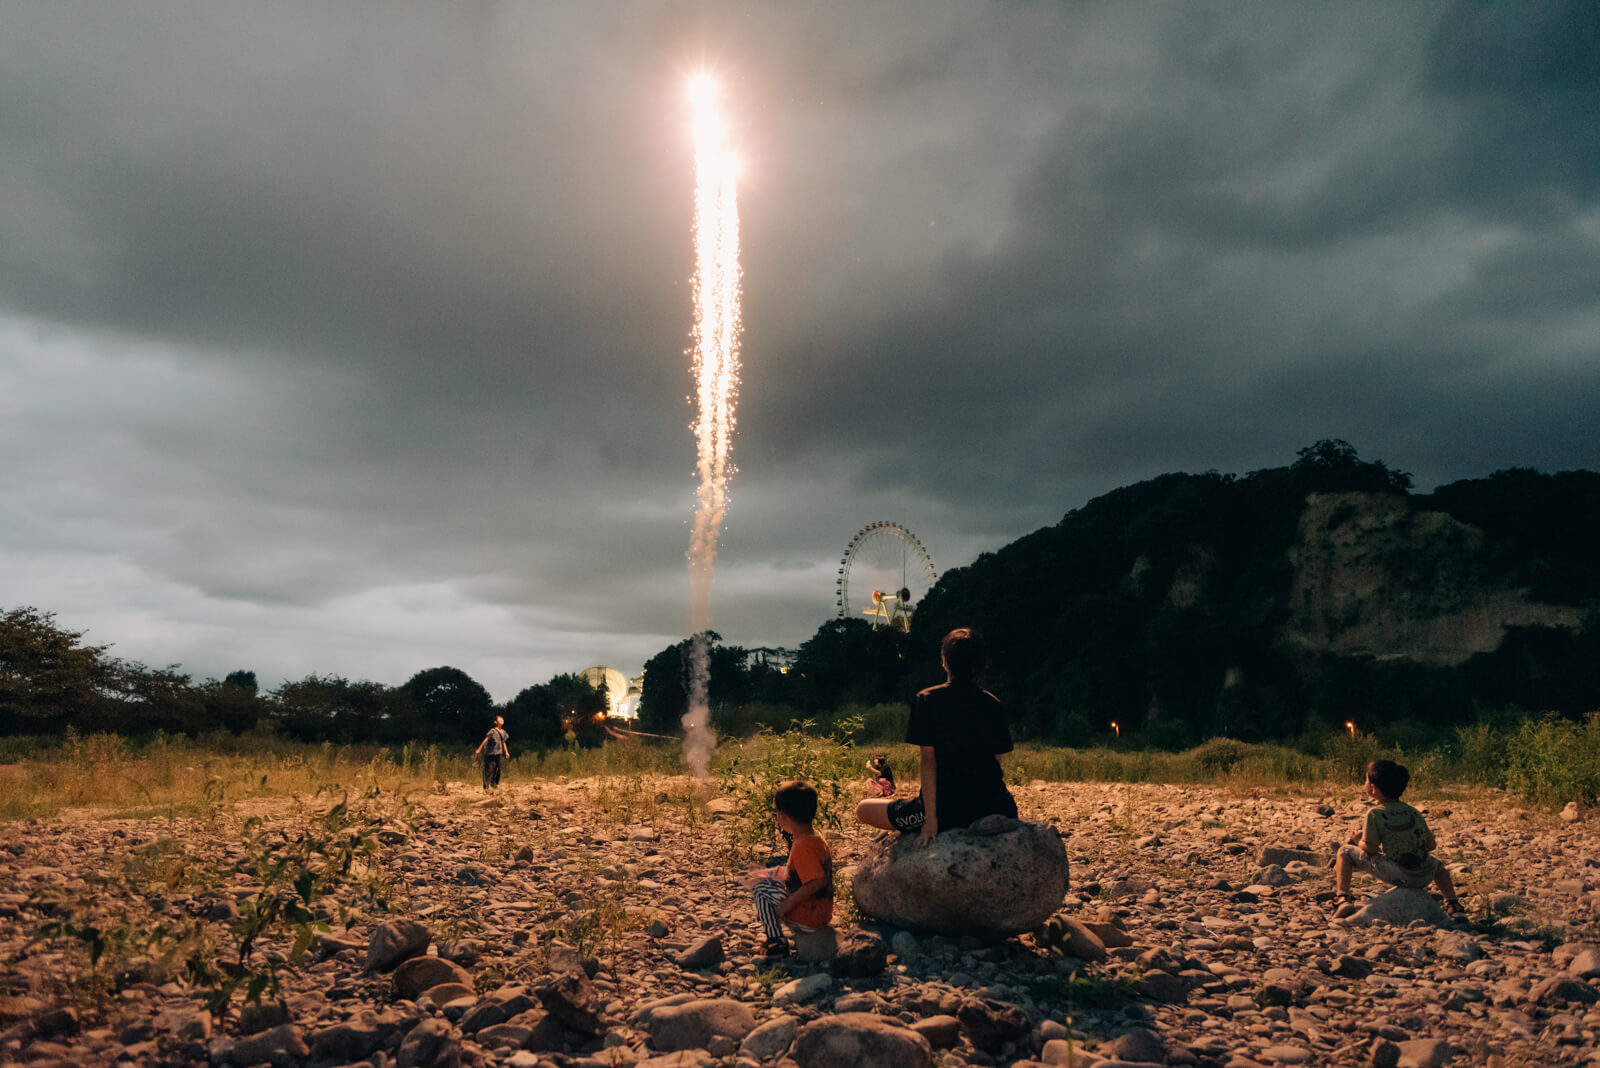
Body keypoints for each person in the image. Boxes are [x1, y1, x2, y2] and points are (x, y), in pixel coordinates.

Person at [856, 627, 1017, 847]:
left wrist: (930, 819)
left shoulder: (927, 699)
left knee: (863, 809)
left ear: (944, 661)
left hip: (946, 811)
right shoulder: (993, 703)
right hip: (997, 807)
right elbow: (994, 765)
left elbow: (928, 762)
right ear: (981, 664)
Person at [1333, 758, 1464, 916]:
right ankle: (1453, 903)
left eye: (1366, 780)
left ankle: (1342, 898)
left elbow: (1371, 849)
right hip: (1424, 875)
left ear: (1373, 788)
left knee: (1345, 852)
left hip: (1400, 874)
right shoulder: (1413, 811)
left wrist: (1358, 841)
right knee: (1439, 866)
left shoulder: (1374, 813)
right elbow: (1431, 845)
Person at [746, 780, 834, 958]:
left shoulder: (802, 846)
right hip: (821, 911)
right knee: (768, 879)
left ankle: (776, 940)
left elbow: (818, 881)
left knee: (760, 890)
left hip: (808, 914)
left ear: (783, 816)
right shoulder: (815, 837)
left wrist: (786, 905)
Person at [474, 715, 510, 791]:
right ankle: (486, 786)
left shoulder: (503, 732)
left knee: (498, 770)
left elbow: (503, 742)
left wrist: (506, 752)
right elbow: (486, 739)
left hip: (498, 753)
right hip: (490, 753)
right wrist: (479, 749)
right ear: (495, 722)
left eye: (502, 719)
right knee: (489, 769)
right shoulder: (492, 731)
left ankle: (494, 784)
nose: (502, 720)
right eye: (500, 719)